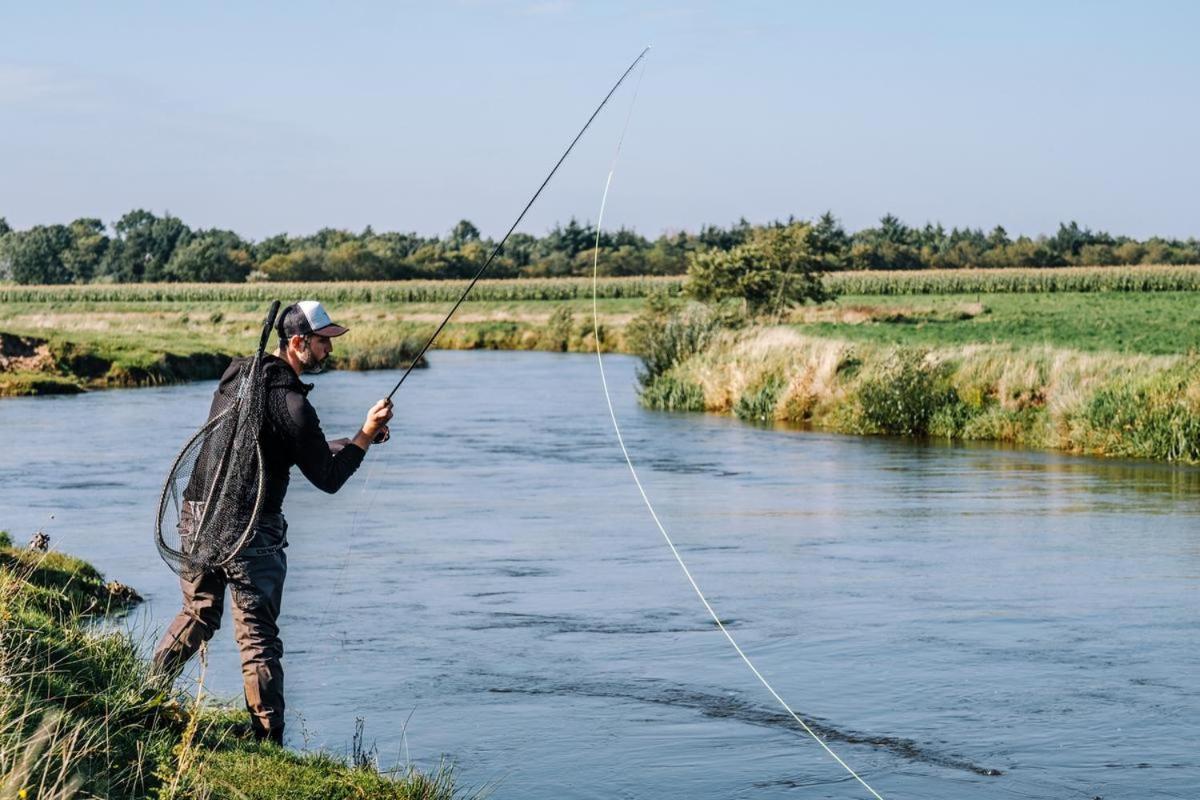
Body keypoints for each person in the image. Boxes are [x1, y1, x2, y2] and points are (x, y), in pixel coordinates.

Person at [152, 300, 393, 744]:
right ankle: (268, 740)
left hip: (198, 513)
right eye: (323, 342)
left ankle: (146, 690)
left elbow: (285, 442)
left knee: (198, 613)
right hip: (251, 530)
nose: (329, 351)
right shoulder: (294, 405)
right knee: (258, 638)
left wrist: (351, 440)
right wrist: (363, 434)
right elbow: (328, 477)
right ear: (298, 342)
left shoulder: (237, 374)